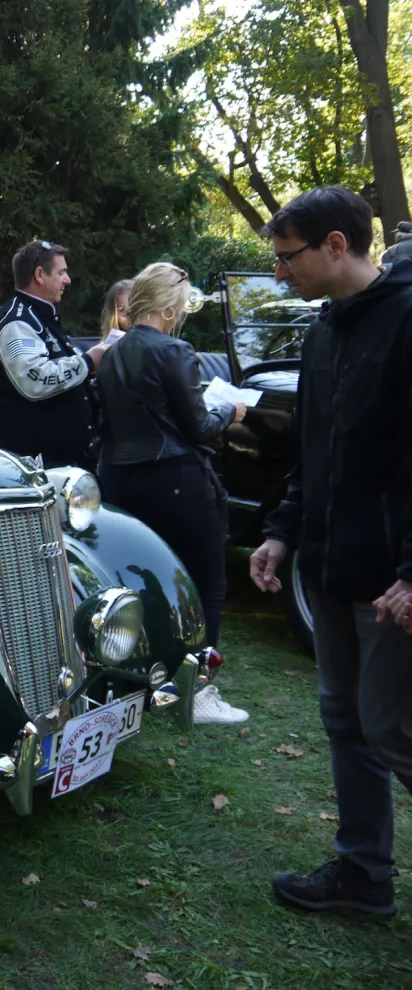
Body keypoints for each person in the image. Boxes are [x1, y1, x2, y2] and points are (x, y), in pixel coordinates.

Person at [248, 186, 412, 917]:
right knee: (346, 722)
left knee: (393, 729)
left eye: (288, 258)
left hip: (391, 581)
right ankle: (363, 875)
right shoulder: (322, 332)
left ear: (337, 246)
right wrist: (281, 531)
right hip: (330, 568)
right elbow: (311, 455)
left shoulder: (407, 321)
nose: (279, 273)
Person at [96, 263, 248, 724]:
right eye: (180, 305)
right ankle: (197, 692)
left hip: (123, 480)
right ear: (167, 308)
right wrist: (230, 412)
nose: (182, 313)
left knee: (140, 583)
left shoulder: (111, 354)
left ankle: (145, 683)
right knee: (207, 584)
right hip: (176, 479)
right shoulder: (173, 349)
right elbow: (198, 427)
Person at [0, 240, 111, 468]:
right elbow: (35, 379)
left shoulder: (41, 317)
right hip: (31, 467)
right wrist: (88, 361)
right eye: (61, 272)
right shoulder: (17, 323)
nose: (67, 280)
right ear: (39, 275)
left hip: (61, 463)